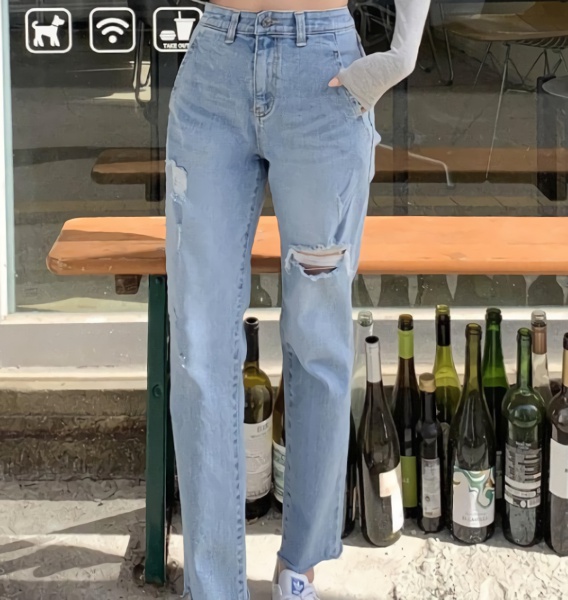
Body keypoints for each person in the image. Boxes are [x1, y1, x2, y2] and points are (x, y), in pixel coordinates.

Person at [165, 0, 430, 598]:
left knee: (318, 340)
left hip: (322, 74)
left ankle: (300, 568)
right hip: (214, 67)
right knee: (198, 350)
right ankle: (213, 588)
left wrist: (402, 54)